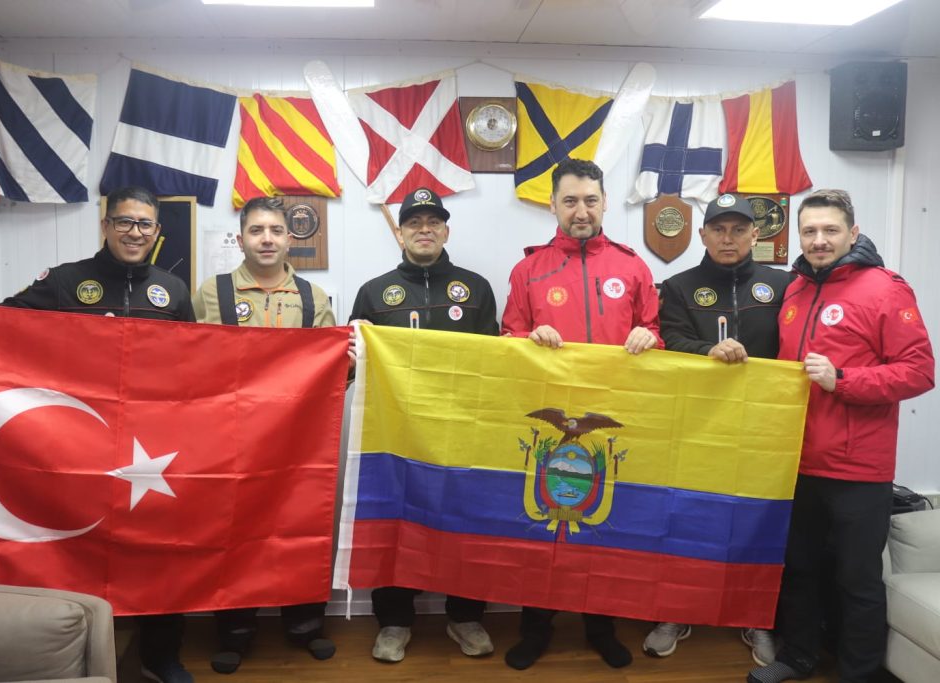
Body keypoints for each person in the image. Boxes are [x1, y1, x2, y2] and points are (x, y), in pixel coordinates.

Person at [2, 185, 196, 683]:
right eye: (124, 221)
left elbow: (197, 362)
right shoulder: (65, 282)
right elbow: (0, 327)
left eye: (145, 224)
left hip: (151, 448)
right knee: (79, 546)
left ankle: (160, 655)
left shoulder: (173, 291)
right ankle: (75, 655)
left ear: (157, 231)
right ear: (105, 226)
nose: (134, 232)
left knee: (159, 550)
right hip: (79, 442)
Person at [748, 189, 934, 683]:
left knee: (857, 580)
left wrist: (843, 380)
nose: (819, 240)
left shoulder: (885, 289)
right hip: (799, 462)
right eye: (809, 231)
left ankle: (859, 673)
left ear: (853, 233)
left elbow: (919, 371)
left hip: (859, 469)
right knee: (800, 569)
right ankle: (798, 656)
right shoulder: (794, 291)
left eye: (830, 230)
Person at [501, 158, 662, 671]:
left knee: (605, 523)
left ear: (605, 203)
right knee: (544, 525)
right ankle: (535, 629)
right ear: (552, 204)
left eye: (590, 200)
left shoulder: (633, 267)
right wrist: (529, 338)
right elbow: (507, 339)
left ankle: (601, 628)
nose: (581, 211)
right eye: (570, 201)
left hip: (613, 422)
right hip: (549, 424)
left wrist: (649, 337)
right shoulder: (529, 270)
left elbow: (657, 336)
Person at [349, 187, 499, 663]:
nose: (424, 229)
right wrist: (350, 355)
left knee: (465, 525)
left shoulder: (476, 289)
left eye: (433, 221)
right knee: (394, 524)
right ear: (400, 233)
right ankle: (394, 622)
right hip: (396, 438)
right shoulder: (374, 293)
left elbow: (495, 364)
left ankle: (466, 617)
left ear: (446, 231)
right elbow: (352, 366)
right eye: (414, 222)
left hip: (463, 433)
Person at [193, 196, 340, 674]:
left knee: (299, 529)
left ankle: (305, 626)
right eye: (257, 230)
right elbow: (195, 363)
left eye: (276, 230)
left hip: (298, 441)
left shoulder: (314, 298)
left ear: (290, 239)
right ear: (241, 239)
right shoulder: (212, 292)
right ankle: (235, 631)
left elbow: (331, 372)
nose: (267, 239)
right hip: (232, 439)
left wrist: (350, 361)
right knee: (235, 534)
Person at [646, 192, 790, 665]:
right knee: (686, 520)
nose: (729, 239)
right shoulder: (678, 286)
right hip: (698, 427)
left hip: (765, 432)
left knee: (758, 525)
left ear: (755, 234)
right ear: (703, 235)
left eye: (739, 230)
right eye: (719, 230)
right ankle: (675, 611)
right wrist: (707, 351)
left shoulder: (784, 285)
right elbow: (670, 341)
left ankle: (756, 619)